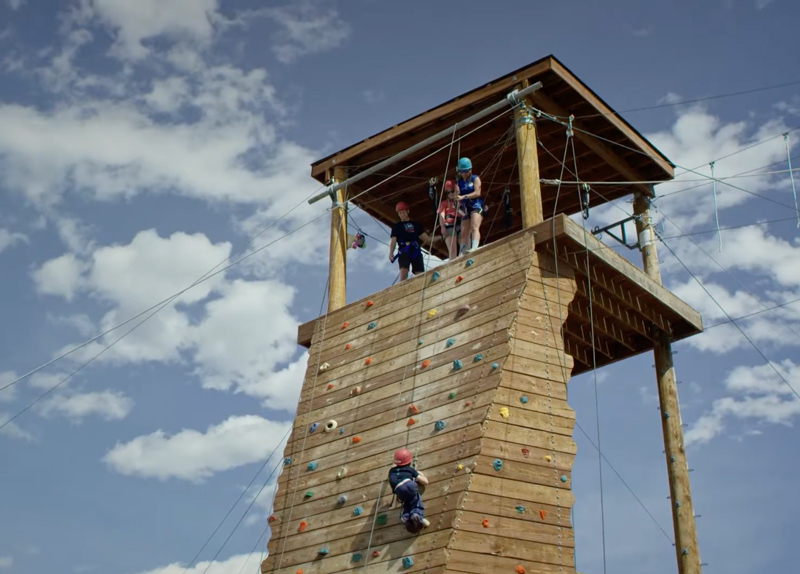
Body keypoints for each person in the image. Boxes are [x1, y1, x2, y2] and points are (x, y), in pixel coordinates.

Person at [389, 201, 435, 281]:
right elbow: (393, 240)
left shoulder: (416, 224)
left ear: (408, 211)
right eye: (400, 213)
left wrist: (441, 237)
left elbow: (427, 239)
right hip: (404, 250)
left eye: (403, 212)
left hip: (415, 250)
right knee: (404, 270)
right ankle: (401, 289)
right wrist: (391, 252)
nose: (402, 215)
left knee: (419, 273)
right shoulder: (397, 227)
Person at [388, 448, 430, 532]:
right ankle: (416, 515)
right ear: (409, 462)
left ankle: (405, 517)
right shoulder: (410, 470)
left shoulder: (391, 472)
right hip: (409, 485)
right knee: (416, 500)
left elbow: (392, 480)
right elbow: (425, 482)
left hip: (399, 489)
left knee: (406, 503)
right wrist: (421, 474)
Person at [454, 157, 484, 256]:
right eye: (461, 171)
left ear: (470, 169)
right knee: (463, 232)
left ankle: (474, 247)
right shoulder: (458, 182)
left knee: (474, 226)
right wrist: (456, 195)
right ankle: (462, 252)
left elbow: (477, 192)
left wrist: (464, 196)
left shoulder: (475, 178)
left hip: (476, 205)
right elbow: (456, 196)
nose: (464, 173)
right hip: (465, 207)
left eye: (466, 171)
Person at [436, 180, 462, 260]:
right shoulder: (444, 203)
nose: (450, 194)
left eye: (452, 191)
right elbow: (441, 215)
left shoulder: (461, 200)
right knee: (453, 253)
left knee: (463, 249)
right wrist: (442, 227)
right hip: (449, 225)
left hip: (461, 224)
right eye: (448, 192)